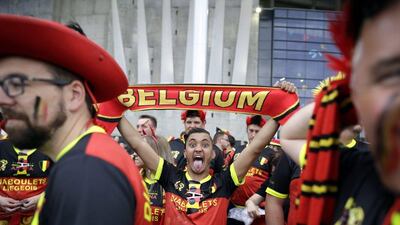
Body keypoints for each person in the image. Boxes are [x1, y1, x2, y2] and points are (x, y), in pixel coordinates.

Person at [0, 15, 151, 224]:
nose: (4, 99)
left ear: (73, 96)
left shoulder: (88, 171)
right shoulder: (86, 160)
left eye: (19, 84)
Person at [227, 116, 281, 225]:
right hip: (234, 209)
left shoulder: (270, 154)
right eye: (251, 131)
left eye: (257, 131)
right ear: (247, 130)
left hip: (257, 210)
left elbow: (273, 181)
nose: (253, 134)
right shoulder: (238, 150)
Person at [0, 127, 52, 225]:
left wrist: (41, 198)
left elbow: (63, 183)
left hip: (38, 217)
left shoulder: (51, 149)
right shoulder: (1, 146)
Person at [135, 135, 174, 225]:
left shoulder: (172, 182)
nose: (135, 153)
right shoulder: (135, 178)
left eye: (140, 149)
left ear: (154, 153)